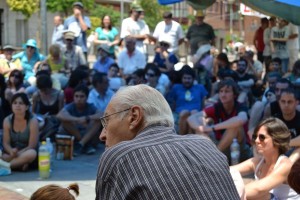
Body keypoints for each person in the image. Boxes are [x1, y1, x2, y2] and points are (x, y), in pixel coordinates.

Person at [95, 84, 240, 199]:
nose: (102, 135)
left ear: (134, 116)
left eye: (107, 121)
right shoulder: (205, 145)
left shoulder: (119, 157)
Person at [231, 117, 299, 199]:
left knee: (261, 195)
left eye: (262, 137)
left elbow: (259, 190)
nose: (256, 140)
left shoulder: (285, 165)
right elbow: (227, 171)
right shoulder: (257, 162)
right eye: (255, 137)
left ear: (276, 140)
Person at [187, 79, 249, 161]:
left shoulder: (240, 106)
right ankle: (213, 155)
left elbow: (241, 120)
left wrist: (212, 128)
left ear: (234, 94)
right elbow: (191, 118)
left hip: (238, 148)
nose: (223, 94)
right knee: (199, 120)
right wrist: (201, 129)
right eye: (221, 91)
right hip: (222, 147)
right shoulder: (217, 107)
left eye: (227, 91)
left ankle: (214, 156)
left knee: (236, 126)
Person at [57, 84, 102, 156]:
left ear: (87, 98)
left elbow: (102, 115)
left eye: (82, 96)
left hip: (87, 132)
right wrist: (77, 119)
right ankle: (85, 144)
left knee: (98, 121)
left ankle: (81, 144)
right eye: (76, 96)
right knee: (64, 121)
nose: (79, 99)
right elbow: (59, 115)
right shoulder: (71, 106)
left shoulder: (90, 106)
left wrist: (87, 118)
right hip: (74, 132)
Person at [1, 93, 39, 171]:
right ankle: (19, 164)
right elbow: (6, 143)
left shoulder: (33, 121)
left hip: (26, 152)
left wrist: (15, 155)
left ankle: (6, 166)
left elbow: (32, 145)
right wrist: (11, 152)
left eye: (21, 103)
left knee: (32, 153)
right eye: (15, 103)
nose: (17, 105)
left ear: (27, 107)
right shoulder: (7, 120)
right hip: (11, 152)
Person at [167, 66, 207, 135]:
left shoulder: (200, 87)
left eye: (189, 78)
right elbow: (171, 102)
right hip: (180, 113)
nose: (186, 80)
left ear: (193, 79)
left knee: (194, 113)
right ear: (181, 79)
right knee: (184, 113)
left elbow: (203, 103)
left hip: (196, 113)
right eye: (184, 78)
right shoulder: (176, 87)